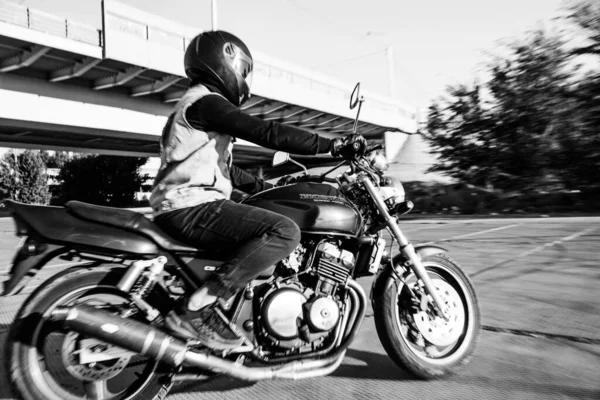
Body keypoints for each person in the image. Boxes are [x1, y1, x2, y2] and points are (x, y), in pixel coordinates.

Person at [150, 30, 367, 350]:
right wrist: (332, 145)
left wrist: (269, 187)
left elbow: (226, 172)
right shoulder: (205, 102)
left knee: (267, 225)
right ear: (225, 61)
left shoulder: (197, 108)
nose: (244, 79)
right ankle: (196, 307)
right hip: (190, 206)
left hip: (183, 205)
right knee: (283, 232)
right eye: (243, 70)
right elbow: (264, 131)